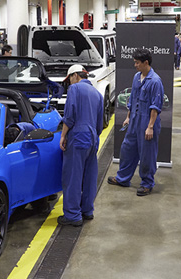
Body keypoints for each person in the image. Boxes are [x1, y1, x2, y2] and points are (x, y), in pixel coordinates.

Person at [107, 48, 164, 196]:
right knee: (127, 149)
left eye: (137, 63)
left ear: (146, 62)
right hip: (134, 120)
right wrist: (128, 117)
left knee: (147, 154)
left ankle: (147, 184)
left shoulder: (155, 81)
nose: (135, 65)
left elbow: (155, 107)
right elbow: (132, 99)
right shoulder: (136, 77)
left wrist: (150, 127)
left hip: (147, 121)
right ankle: (123, 178)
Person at [58, 64, 104, 227]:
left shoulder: (74, 89)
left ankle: (72, 215)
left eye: (69, 79)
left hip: (77, 137)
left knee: (73, 177)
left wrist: (63, 135)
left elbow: (69, 116)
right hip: (92, 138)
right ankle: (87, 211)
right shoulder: (97, 94)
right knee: (89, 176)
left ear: (75, 76)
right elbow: (100, 124)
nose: (69, 83)